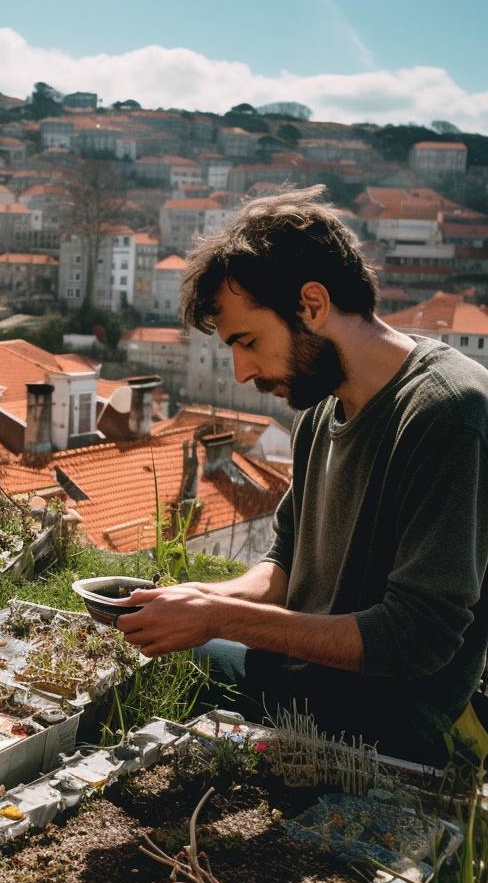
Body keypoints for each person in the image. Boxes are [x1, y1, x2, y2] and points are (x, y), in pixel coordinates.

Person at [117, 187, 488, 765]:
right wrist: (194, 600)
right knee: (130, 669)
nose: (242, 372)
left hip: (390, 713)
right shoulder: (319, 406)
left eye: (248, 342)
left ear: (312, 304)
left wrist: (219, 617)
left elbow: (418, 637)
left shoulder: (448, 411)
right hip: (301, 674)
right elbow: (286, 564)